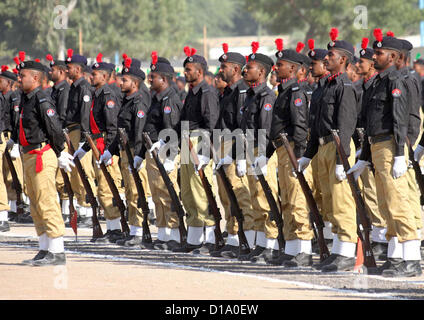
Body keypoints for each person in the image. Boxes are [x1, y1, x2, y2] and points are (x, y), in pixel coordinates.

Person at [351, 30, 421, 277]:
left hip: (392, 147)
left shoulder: (396, 81)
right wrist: (364, 157)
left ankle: (411, 259)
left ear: (392, 57)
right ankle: (395, 256)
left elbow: (401, 120)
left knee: (398, 202)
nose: (375, 56)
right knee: (385, 204)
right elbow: (371, 123)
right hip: (377, 146)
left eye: (379, 53)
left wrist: (401, 153)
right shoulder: (377, 82)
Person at [298, 28, 359, 272]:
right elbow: (316, 124)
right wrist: (307, 155)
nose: (326, 59)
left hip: (337, 148)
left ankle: (346, 252)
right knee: (329, 203)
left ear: (343, 60)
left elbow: (345, 125)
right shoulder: (325, 86)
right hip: (322, 148)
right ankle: (336, 251)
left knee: (341, 201)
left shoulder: (345, 86)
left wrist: (341, 159)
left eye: (331, 55)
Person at [11, 57, 74, 266]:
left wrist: (59, 152)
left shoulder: (41, 99)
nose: (19, 79)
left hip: (41, 154)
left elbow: (54, 129)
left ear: (36, 77)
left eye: (23, 76)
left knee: (46, 201)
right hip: (28, 154)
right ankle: (45, 248)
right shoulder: (26, 98)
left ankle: (57, 251)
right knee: (36, 203)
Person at [268, 39, 314, 267]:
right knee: (286, 199)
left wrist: (300, 156)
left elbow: (300, 125)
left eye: (281, 64)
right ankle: (292, 248)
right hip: (282, 150)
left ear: (293, 69)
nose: (276, 68)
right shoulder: (283, 91)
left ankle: (304, 249)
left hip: (293, 150)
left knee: (297, 199)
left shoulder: (295, 91)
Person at [73, 53, 125, 243]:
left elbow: (112, 127)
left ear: (104, 77)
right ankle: (111, 227)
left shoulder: (108, 95)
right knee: (102, 188)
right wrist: (84, 149)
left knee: (107, 188)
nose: (91, 77)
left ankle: (115, 229)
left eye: (95, 74)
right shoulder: (98, 94)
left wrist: (110, 151)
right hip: (97, 145)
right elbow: (95, 130)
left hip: (105, 147)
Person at [173, 47, 220, 253]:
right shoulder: (191, 92)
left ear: (199, 72)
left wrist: (205, 153)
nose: (185, 73)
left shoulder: (207, 93)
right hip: (187, 142)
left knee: (202, 191)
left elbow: (211, 125)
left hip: (198, 143)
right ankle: (194, 239)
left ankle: (210, 239)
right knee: (188, 192)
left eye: (189, 70)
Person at [212, 43, 256, 258]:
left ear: (236, 69)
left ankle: (244, 238)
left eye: (225, 67)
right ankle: (232, 237)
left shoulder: (242, 92)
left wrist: (238, 155)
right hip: (223, 146)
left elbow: (242, 126)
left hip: (235, 147)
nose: (221, 70)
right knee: (226, 196)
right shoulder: (228, 92)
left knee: (239, 194)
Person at [136, 53, 184, 250]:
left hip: (165, 153)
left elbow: (173, 130)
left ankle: (174, 234)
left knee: (168, 193)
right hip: (154, 152)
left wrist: (171, 156)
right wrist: (140, 154)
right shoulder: (157, 98)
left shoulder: (170, 99)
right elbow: (148, 128)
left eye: (153, 76)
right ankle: (163, 235)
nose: (149, 79)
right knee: (157, 194)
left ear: (163, 79)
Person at [238, 42, 279, 262]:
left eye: (249, 67)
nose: (245, 71)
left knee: (265, 198)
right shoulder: (251, 95)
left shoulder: (266, 97)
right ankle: (261, 245)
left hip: (261, 151)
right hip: (250, 150)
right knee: (255, 200)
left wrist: (263, 155)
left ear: (261, 72)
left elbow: (265, 129)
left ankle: (271, 245)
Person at [107, 56, 151, 247]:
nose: (120, 82)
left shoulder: (138, 102)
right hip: (125, 152)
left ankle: (140, 231)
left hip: (135, 151)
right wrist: (111, 151)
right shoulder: (127, 100)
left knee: (136, 192)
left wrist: (139, 155)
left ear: (134, 82)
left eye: (124, 80)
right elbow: (121, 130)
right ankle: (133, 230)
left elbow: (140, 132)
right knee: (130, 191)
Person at [356, 38, 388, 259]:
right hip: (362, 145)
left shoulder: (378, 85)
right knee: (367, 192)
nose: (358, 65)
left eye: (362, 62)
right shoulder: (362, 87)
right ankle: (377, 236)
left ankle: (382, 238)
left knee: (377, 192)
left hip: (377, 144)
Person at [65, 49, 97, 228]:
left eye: (69, 68)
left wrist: (85, 137)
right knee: (76, 172)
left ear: (78, 69)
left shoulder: (83, 87)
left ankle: (88, 209)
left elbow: (84, 114)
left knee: (84, 171)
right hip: (72, 131)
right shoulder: (75, 86)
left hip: (80, 131)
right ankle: (82, 208)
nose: (67, 70)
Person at [46, 54, 72, 222]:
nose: (50, 72)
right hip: (55, 134)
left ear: (61, 72)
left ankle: (67, 211)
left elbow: (61, 115)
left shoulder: (64, 89)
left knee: (63, 176)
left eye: (53, 70)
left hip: (61, 134)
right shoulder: (55, 89)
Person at [0, 66, 24, 229]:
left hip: (10, 137)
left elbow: (16, 121)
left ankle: (16, 209)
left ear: (8, 82)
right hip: (4, 136)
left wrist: (15, 142)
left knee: (13, 175)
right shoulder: (2, 96)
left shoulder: (14, 97)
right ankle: (10, 211)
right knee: (6, 175)